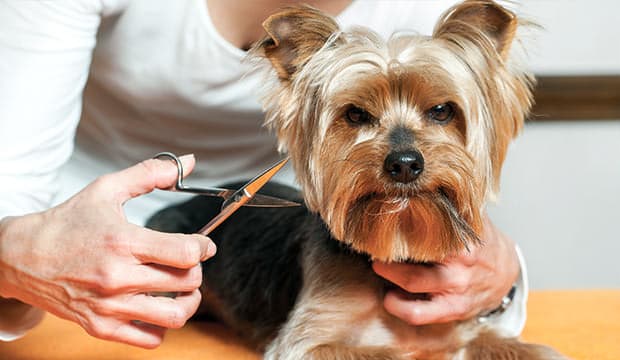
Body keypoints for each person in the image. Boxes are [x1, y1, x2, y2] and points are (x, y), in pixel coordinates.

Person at [0, 0, 526, 349]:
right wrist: (16, 251)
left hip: (289, 204)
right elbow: (10, 188)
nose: (404, 156)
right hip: (72, 236)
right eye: (357, 115)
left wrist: (504, 277)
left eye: (438, 113)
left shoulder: (446, 12)